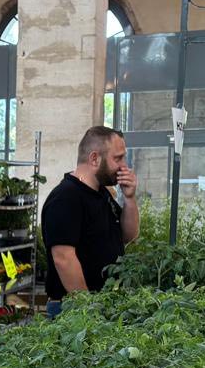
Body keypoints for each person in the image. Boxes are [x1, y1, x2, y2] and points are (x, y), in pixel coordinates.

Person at [41, 125, 138, 317]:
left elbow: (128, 236)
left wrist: (129, 198)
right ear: (94, 158)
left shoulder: (102, 194)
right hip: (73, 310)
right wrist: (88, 309)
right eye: (117, 158)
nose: (123, 166)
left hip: (99, 306)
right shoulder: (66, 197)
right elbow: (63, 258)